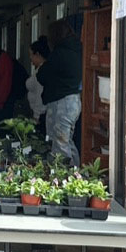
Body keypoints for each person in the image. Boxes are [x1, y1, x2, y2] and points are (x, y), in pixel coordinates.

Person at [38, 19, 82, 165]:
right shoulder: (77, 49)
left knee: (60, 143)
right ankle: (76, 173)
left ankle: (63, 178)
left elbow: (42, 75)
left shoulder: (59, 53)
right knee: (67, 140)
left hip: (61, 102)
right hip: (74, 100)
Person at [28, 36, 50, 139]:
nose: (30, 59)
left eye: (31, 55)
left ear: (37, 54)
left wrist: (36, 116)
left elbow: (39, 95)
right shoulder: (40, 69)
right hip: (41, 113)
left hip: (41, 114)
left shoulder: (42, 72)